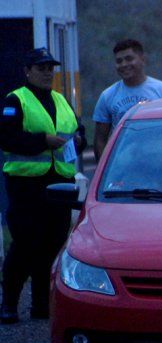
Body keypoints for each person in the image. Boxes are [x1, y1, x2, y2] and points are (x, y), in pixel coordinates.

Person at [0, 48, 87, 324]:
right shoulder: (16, 100)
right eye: (41, 68)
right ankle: (8, 304)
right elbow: (7, 138)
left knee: (52, 243)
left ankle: (40, 304)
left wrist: (80, 140)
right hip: (27, 185)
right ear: (28, 71)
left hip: (60, 183)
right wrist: (42, 141)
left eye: (51, 68)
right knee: (25, 243)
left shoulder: (61, 100)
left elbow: (78, 130)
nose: (48, 73)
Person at [93, 39, 162, 159]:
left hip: (159, 161)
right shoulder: (107, 96)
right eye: (119, 61)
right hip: (123, 164)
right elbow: (100, 141)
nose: (124, 64)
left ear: (143, 60)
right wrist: (105, 168)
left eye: (129, 59)